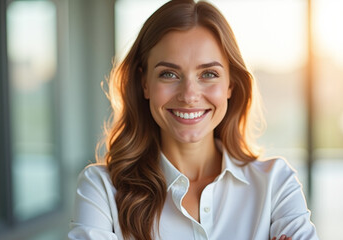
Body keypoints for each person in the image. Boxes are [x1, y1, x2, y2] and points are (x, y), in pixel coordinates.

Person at [68, 0, 319, 239]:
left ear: (230, 84)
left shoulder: (276, 183)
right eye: (168, 74)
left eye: (208, 74)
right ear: (145, 83)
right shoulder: (101, 189)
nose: (189, 95)